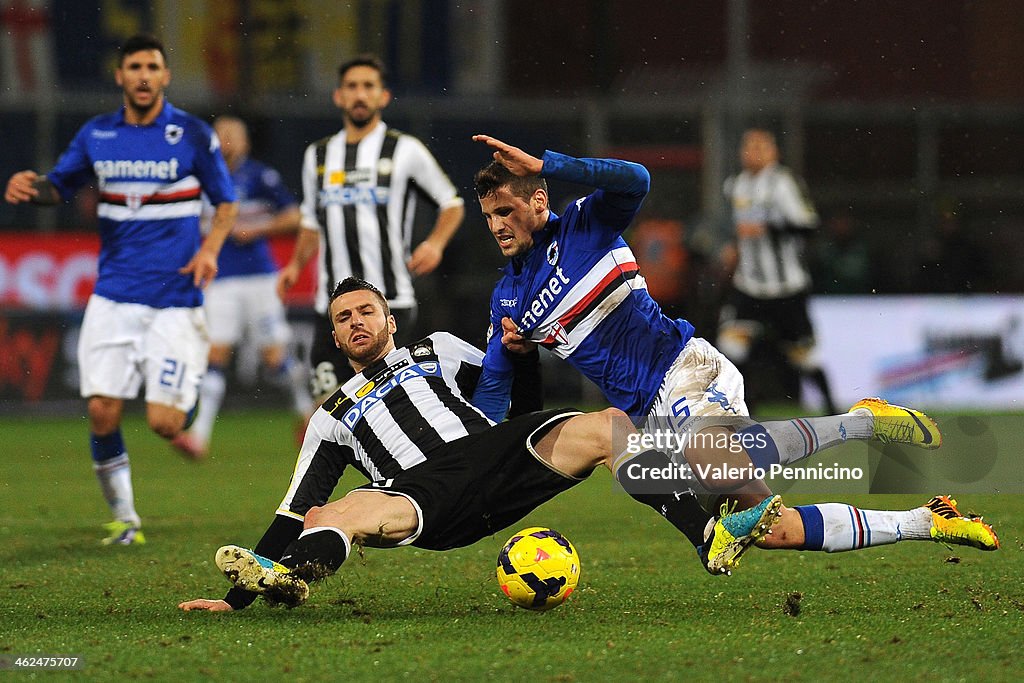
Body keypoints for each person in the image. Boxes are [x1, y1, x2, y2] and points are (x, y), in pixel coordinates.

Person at [177, 278, 998, 612]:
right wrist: (235, 594)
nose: (356, 323)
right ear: (334, 337)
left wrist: (522, 356)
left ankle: (920, 514)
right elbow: (292, 505)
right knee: (338, 508)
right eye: (342, 318)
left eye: (367, 311)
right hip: (425, 496)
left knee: (611, 428)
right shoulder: (332, 413)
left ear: (391, 318)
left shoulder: (446, 353)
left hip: (501, 454)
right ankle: (287, 584)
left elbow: (516, 402)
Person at [468, 135, 993, 575]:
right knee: (776, 529)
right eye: (488, 215)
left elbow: (636, 179)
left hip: (686, 369)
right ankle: (923, 517)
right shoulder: (507, 300)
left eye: (506, 210)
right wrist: (478, 448)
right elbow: (495, 387)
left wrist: (549, 165)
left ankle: (761, 500)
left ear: (539, 201)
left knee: (711, 468)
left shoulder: (585, 225)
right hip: (646, 414)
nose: (496, 225)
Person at [3, 34, 238, 545]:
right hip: (114, 295)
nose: (144, 75)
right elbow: (58, 186)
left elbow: (226, 203)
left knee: (166, 423)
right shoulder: (97, 135)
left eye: (153, 66)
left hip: (174, 299)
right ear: (120, 76)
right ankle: (126, 519)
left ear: (165, 76)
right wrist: (32, 186)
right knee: (102, 409)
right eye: (135, 66)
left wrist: (210, 249)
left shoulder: (192, 134)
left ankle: (188, 392)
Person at [277, 53, 465, 406]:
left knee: (388, 409)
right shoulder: (317, 156)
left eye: (368, 87)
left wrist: (436, 244)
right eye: (352, 87)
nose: (359, 94)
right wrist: (296, 266)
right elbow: (309, 222)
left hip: (388, 301)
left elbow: (451, 202)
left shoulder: (404, 150)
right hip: (330, 307)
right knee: (326, 409)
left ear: (383, 96)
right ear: (339, 96)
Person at [171, 115, 313, 459]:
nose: (228, 140)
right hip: (218, 279)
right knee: (215, 354)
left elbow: (295, 215)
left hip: (259, 279)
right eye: (221, 135)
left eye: (234, 134)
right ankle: (199, 436)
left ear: (246, 143)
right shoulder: (199, 178)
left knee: (275, 358)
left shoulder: (260, 177)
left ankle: (307, 412)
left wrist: (258, 229)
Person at [718, 127, 838, 413]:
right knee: (730, 346)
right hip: (749, 286)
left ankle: (831, 408)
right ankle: (746, 410)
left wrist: (769, 228)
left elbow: (809, 225)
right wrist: (732, 247)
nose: (752, 152)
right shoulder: (736, 185)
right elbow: (737, 228)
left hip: (787, 288)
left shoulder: (783, 183)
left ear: (774, 152)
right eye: (748, 146)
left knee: (804, 357)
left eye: (760, 147)